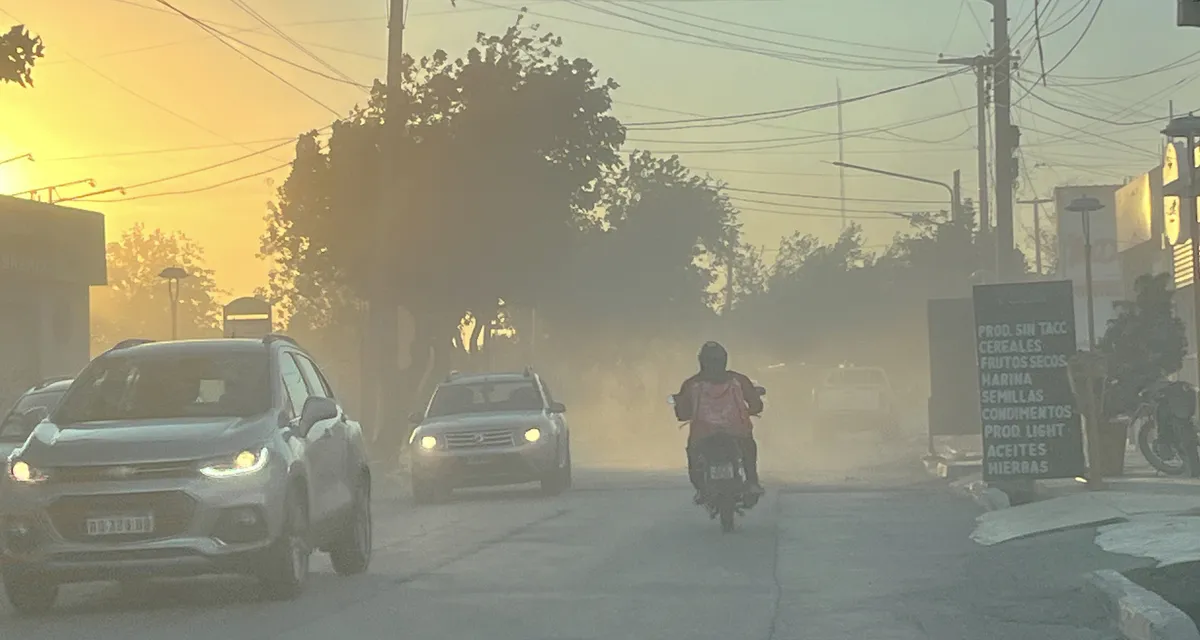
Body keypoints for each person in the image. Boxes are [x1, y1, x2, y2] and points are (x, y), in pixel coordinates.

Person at [672, 341, 764, 504]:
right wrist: (753, 409)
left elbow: (682, 412)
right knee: (748, 448)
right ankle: (752, 482)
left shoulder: (692, 383)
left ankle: (701, 489)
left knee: (694, 454)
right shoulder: (738, 379)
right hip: (737, 430)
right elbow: (756, 404)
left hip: (703, 433)